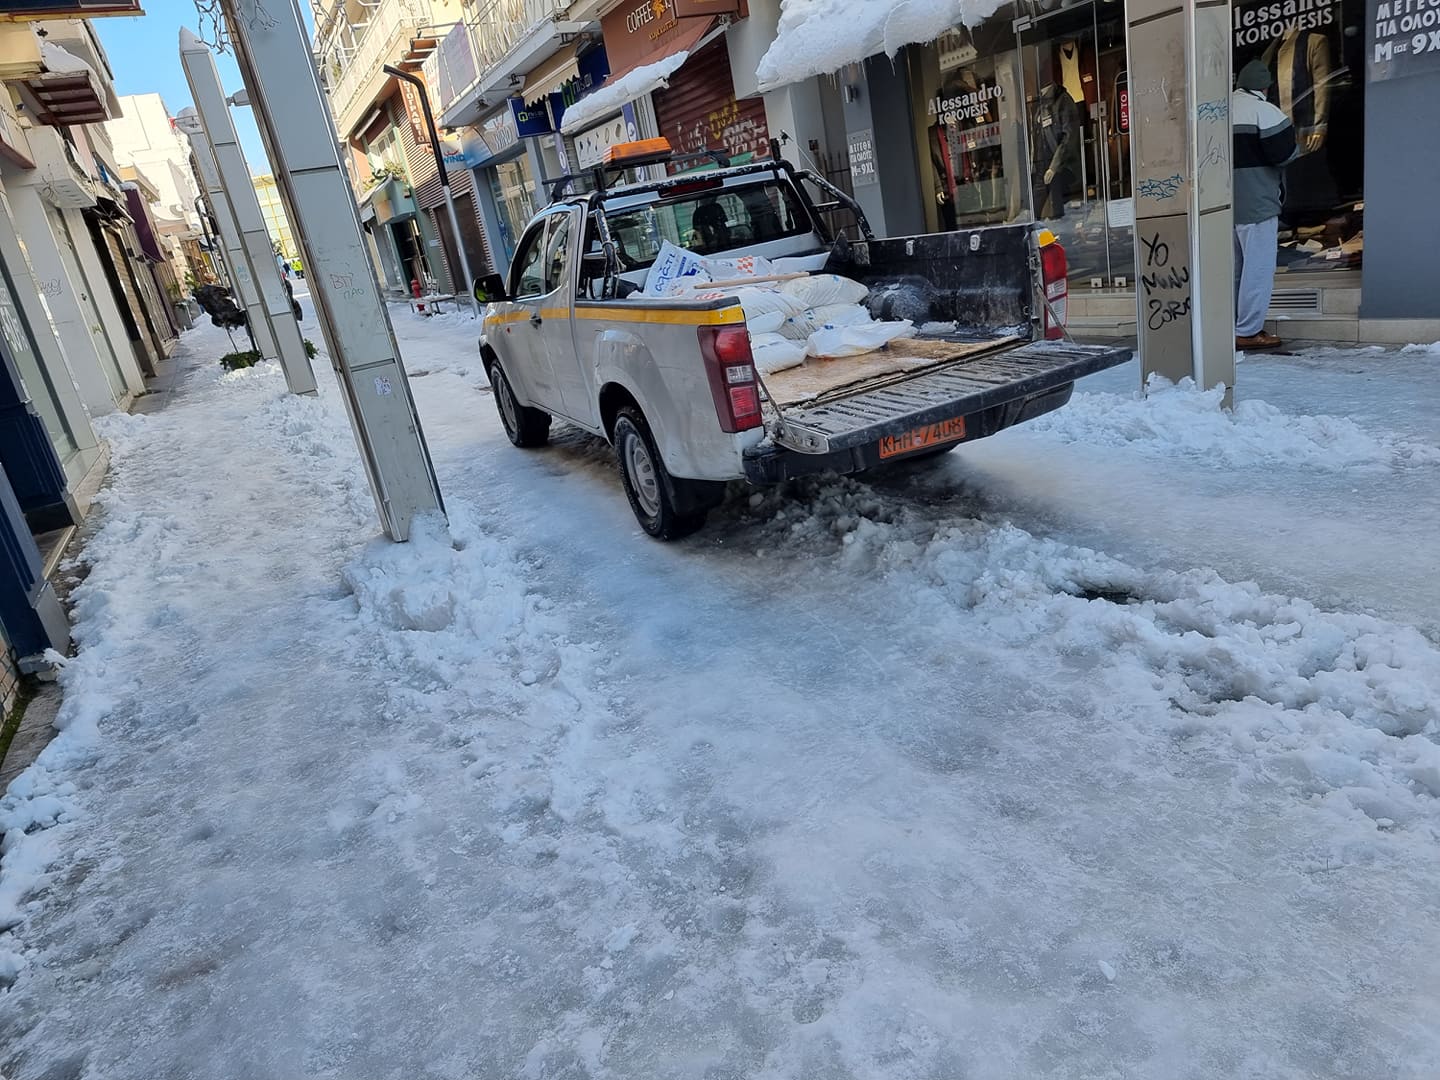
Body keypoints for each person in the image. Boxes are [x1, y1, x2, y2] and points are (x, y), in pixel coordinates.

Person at [1232, 59, 1297, 350]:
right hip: (1257, 202)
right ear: (1266, 86)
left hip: (1223, 206)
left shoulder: (1218, 111)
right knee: (1257, 268)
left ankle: (1231, 325)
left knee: (1234, 269)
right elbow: (1284, 154)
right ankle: (1248, 330)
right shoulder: (1265, 111)